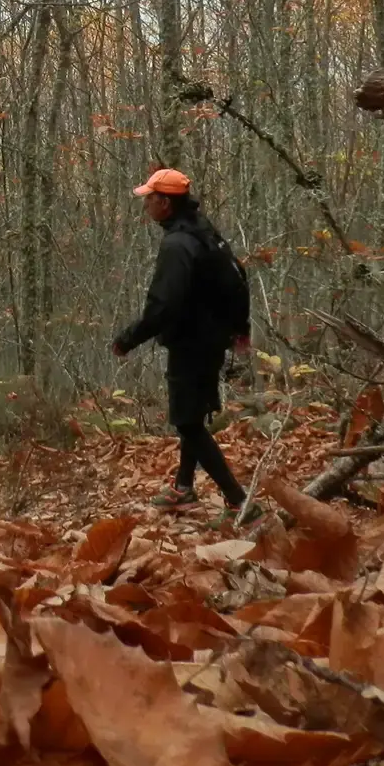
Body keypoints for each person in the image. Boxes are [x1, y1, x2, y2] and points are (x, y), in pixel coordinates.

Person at [112, 168, 256, 517]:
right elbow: (239, 278)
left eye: (149, 198)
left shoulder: (178, 244)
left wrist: (128, 339)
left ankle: (240, 502)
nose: (145, 205)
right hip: (212, 339)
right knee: (194, 415)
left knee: (187, 422)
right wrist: (239, 328)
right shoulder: (203, 230)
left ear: (164, 202)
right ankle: (183, 487)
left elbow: (163, 304)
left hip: (191, 343)